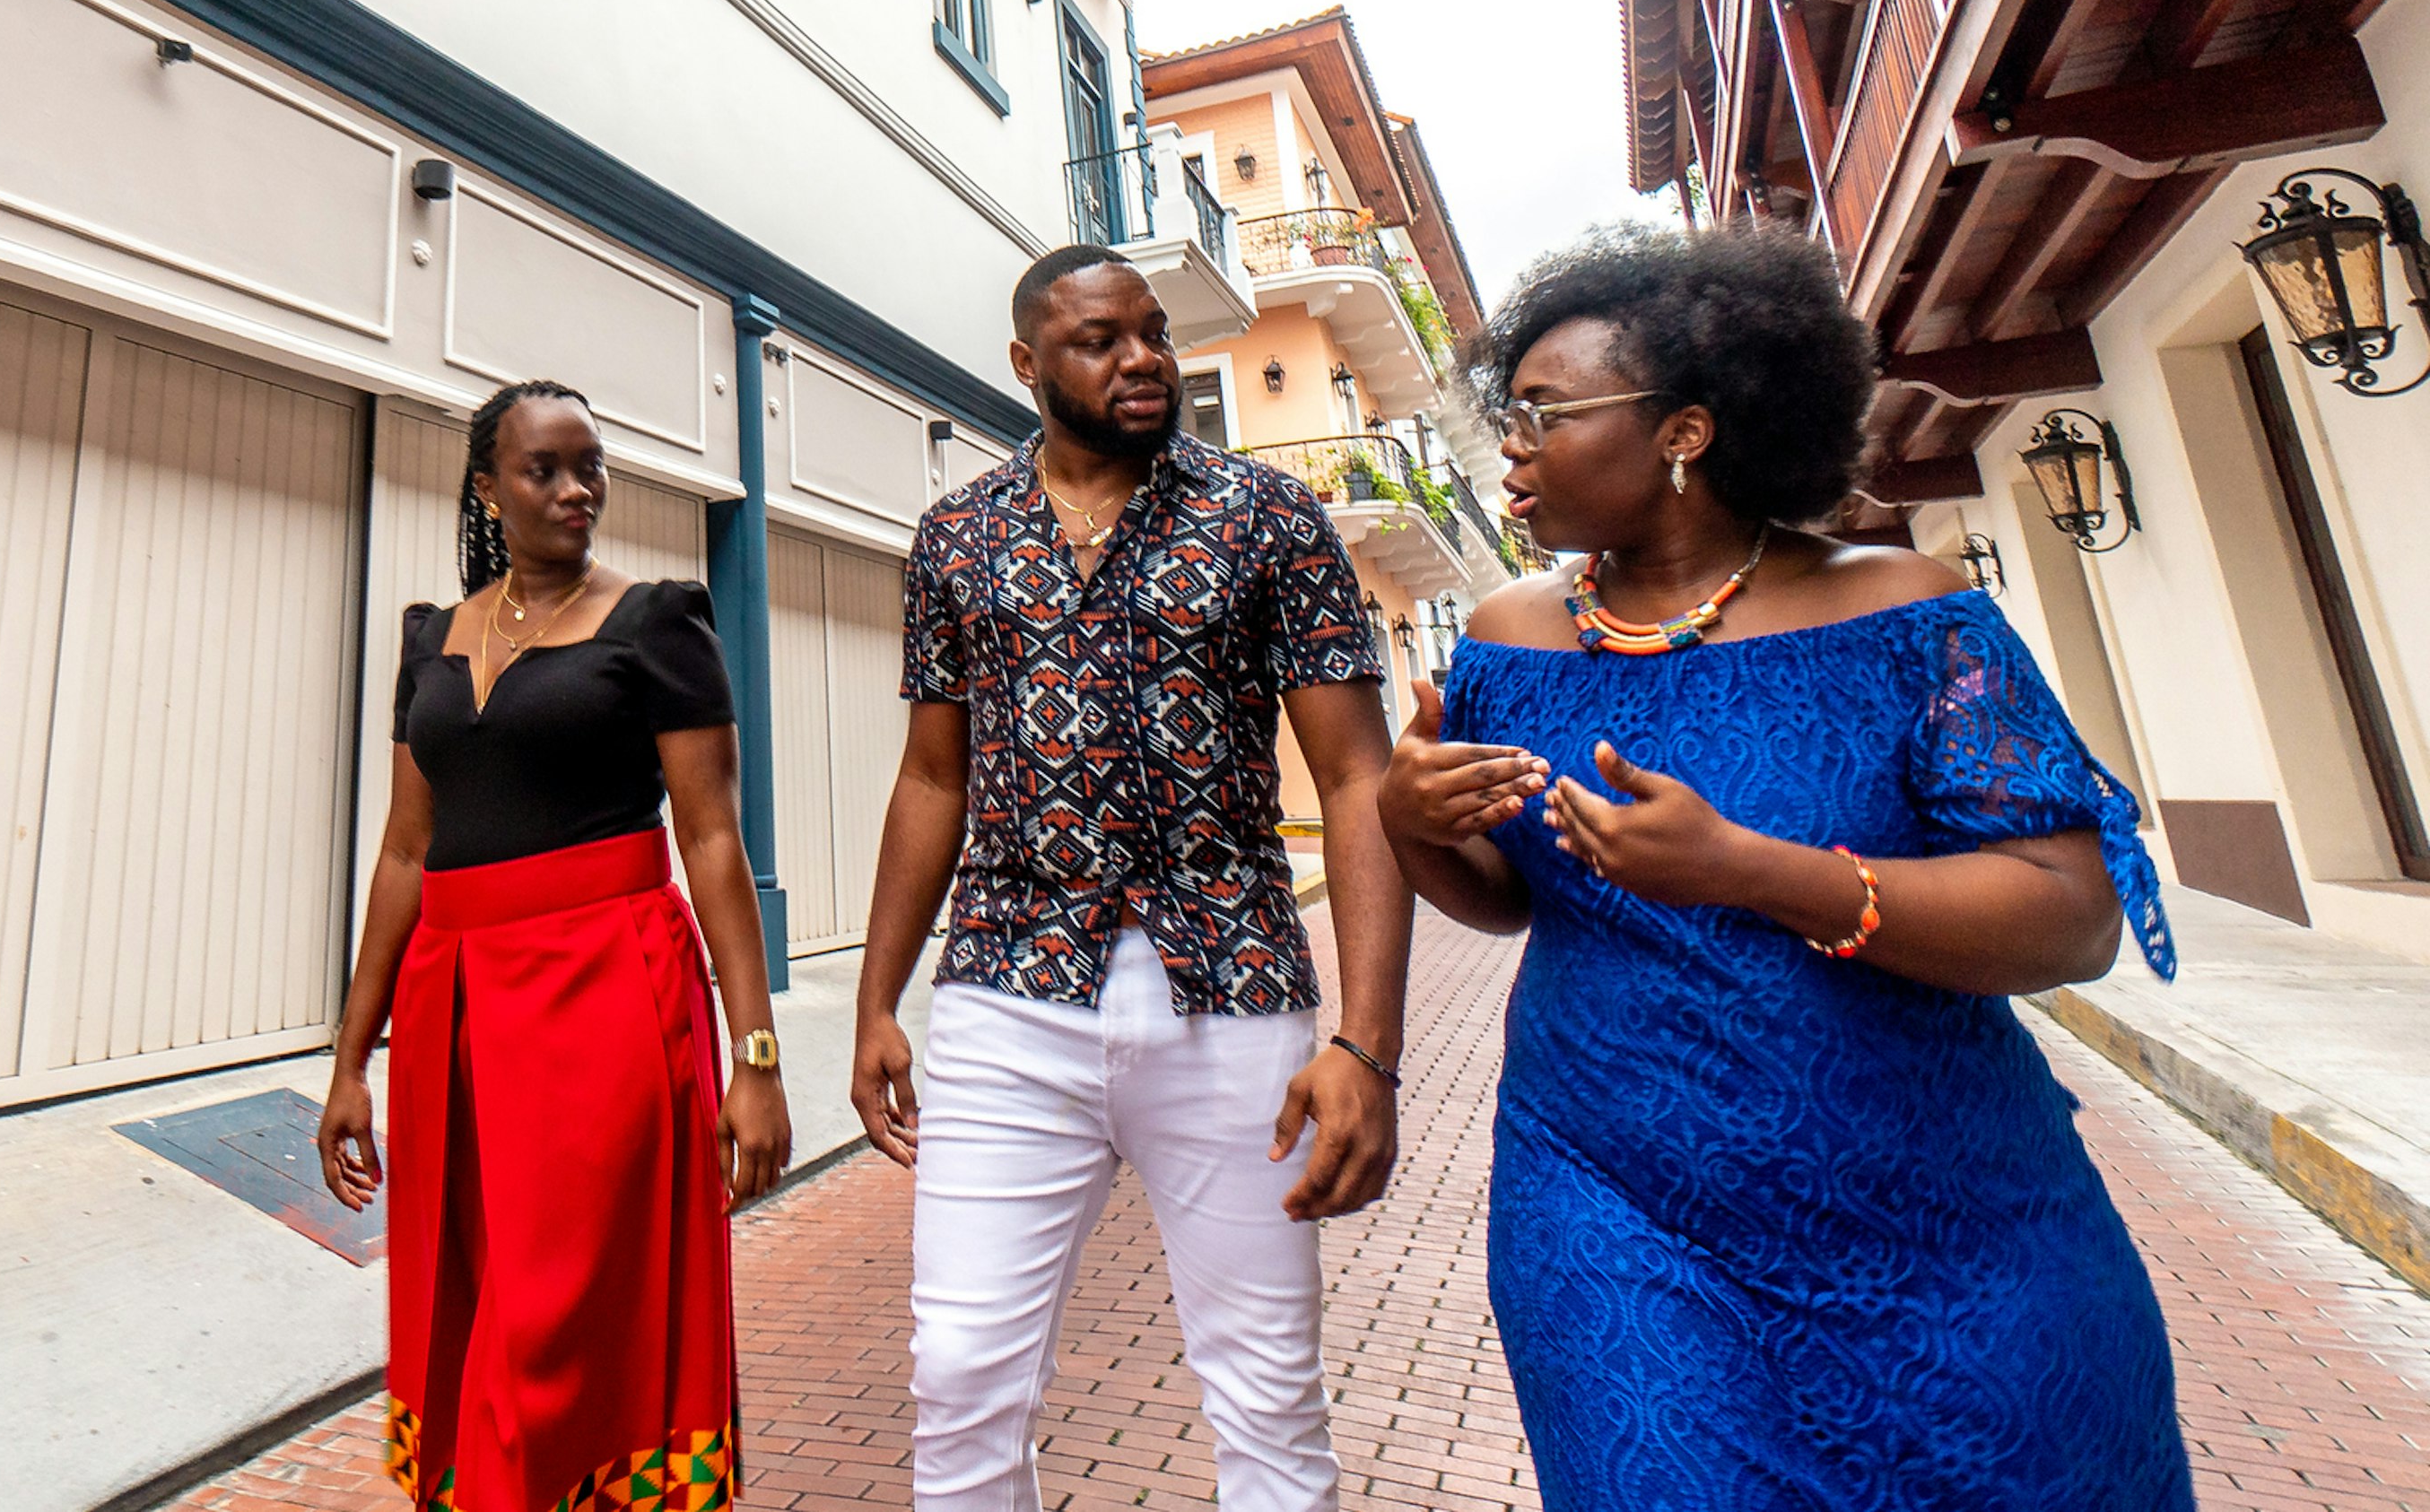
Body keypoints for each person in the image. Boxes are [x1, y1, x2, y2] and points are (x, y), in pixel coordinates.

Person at [1382, 225, 2188, 1512]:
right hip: (1612, 1200)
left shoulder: (1906, 613)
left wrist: (1749, 869)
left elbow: (2070, 911)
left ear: (1685, 430)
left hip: (1945, 1212)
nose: (1511, 449)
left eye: (1544, 412)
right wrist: (1414, 811)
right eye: (1509, 416)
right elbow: (1505, 891)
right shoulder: (1504, 638)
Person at [850, 244, 1414, 1510]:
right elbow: (933, 777)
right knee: (960, 1372)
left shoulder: (1268, 520)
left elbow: (1358, 779)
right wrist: (880, 998)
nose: (1144, 356)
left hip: (1230, 982)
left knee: (1265, 1387)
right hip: (1007, 987)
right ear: (1027, 363)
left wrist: (1368, 1042)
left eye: (1152, 332)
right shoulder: (957, 537)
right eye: (1101, 339)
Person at [317, 378, 788, 1512]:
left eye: (592, 467)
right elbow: (402, 853)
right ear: (489, 486)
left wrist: (756, 1057)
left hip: (605, 996)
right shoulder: (429, 640)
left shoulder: (656, 623)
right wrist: (348, 1060)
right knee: (466, 1291)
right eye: (546, 470)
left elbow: (714, 842)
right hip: (454, 1008)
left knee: (561, 1310)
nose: (579, 491)